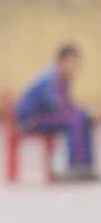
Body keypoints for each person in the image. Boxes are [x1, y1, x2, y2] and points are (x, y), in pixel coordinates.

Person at [16, 44, 96, 180]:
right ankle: (75, 166)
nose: (74, 67)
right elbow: (58, 106)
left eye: (76, 64)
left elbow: (67, 106)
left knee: (83, 118)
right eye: (71, 62)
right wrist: (83, 113)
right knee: (75, 119)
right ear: (62, 61)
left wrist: (86, 113)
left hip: (45, 117)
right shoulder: (51, 78)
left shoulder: (62, 78)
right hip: (30, 120)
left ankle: (85, 167)